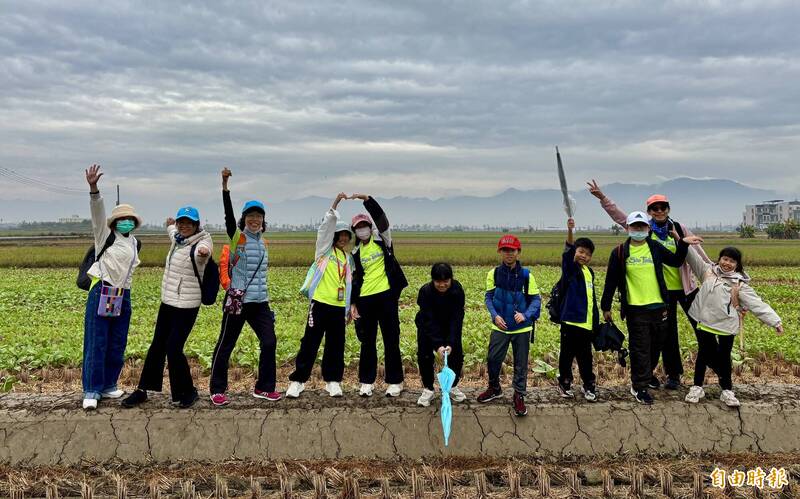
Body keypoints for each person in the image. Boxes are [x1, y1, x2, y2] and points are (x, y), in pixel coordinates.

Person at [588, 181, 712, 390]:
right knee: (668, 335)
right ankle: (673, 374)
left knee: (704, 327)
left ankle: (720, 371)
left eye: (663, 207)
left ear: (668, 209)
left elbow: (696, 253)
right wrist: (603, 198)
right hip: (662, 293)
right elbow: (620, 216)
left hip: (686, 288)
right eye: (655, 208)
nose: (659, 211)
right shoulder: (644, 231)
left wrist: (714, 271)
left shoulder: (679, 228)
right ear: (649, 212)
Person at [600, 211, 703, 404]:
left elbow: (675, 261)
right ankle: (639, 386)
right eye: (635, 226)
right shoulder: (620, 252)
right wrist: (606, 307)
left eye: (642, 226)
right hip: (636, 308)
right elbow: (611, 281)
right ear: (628, 228)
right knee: (640, 348)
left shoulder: (654, 247)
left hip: (659, 306)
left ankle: (646, 375)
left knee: (657, 345)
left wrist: (682, 243)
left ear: (648, 228)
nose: (638, 229)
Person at [122, 206, 213, 409]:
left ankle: (187, 391)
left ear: (197, 225)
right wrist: (170, 225)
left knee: (173, 347)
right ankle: (142, 390)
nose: (184, 226)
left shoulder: (203, 241)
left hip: (187, 306)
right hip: (168, 302)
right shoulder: (178, 239)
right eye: (182, 222)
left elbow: (203, 253)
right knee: (157, 345)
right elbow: (172, 231)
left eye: (189, 223)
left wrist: (203, 253)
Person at [208, 167, 279, 406]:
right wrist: (225, 187)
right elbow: (228, 217)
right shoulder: (237, 238)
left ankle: (264, 388)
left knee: (269, 342)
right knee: (226, 344)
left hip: (260, 302)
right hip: (238, 300)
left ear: (263, 220)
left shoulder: (264, 243)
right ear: (244, 219)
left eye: (259, 216)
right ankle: (217, 390)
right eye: (251, 216)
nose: (255, 220)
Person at [684, 246, 783, 407]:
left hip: (726, 325)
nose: (727, 263)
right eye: (725, 259)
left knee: (724, 357)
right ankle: (697, 387)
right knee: (703, 355)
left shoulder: (739, 284)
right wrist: (682, 240)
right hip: (704, 321)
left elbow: (757, 304)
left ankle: (727, 391)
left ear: (737, 265)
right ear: (719, 259)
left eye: (732, 261)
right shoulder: (707, 272)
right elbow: (693, 257)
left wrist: (775, 321)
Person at [81, 164, 142, 410]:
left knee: (117, 341)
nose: (126, 222)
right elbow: (97, 213)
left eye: (130, 219)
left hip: (122, 295)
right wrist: (94, 190)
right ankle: (92, 389)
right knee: (97, 340)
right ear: (115, 222)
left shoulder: (134, 242)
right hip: (103, 290)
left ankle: (108, 384)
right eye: (122, 219)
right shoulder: (104, 236)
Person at [287, 193, 355, 398]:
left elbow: (349, 285)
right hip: (319, 304)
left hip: (338, 307)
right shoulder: (324, 251)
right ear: (333, 236)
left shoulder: (348, 258)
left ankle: (332, 381)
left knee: (336, 345)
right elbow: (324, 229)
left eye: (346, 235)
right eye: (339, 234)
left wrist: (348, 308)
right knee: (310, 343)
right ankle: (298, 381)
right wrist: (335, 205)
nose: (343, 238)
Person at [350, 194, 409, 397]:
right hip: (365, 300)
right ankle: (367, 382)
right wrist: (353, 303)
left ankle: (395, 381)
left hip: (386, 297)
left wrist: (368, 200)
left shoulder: (382, 241)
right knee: (367, 341)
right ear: (355, 232)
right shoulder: (355, 252)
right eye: (358, 228)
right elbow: (355, 279)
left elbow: (382, 220)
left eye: (364, 226)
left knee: (391, 339)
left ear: (370, 227)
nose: (362, 230)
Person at [477, 234, 541, 417]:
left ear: (518, 252)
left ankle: (519, 395)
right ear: (500, 252)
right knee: (493, 359)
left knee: (521, 364)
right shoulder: (494, 273)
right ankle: (494, 388)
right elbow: (489, 297)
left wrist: (525, 315)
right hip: (500, 326)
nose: (509, 253)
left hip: (522, 328)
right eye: (505, 250)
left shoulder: (527, 275)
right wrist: (495, 315)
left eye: (512, 250)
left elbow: (536, 300)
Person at [556, 218, 599, 402]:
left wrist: (595, 320)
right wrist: (570, 231)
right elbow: (567, 253)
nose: (583, 256)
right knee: (566, 355)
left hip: (586, 323)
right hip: (571, 321)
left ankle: (588, 384)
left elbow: (591, 299)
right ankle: (564, 383)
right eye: (580, 251)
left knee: (586, 357)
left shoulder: (589, 272)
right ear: (575, 251)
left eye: (587, 254)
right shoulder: (571, 269)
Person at [415, 263, 467, 407]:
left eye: (446, 281)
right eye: (438, 281)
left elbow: (457, 317)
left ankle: (452, 387)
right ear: (432, 280)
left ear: (451, 279)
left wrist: (450, 342)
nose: (442, 285)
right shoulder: (425, 292)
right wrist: (438, 345)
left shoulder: (457, 290)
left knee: (456, 355)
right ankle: (428, 389)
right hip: (427, 326)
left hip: (449, 324)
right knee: (424, 356)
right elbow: (428, 320)